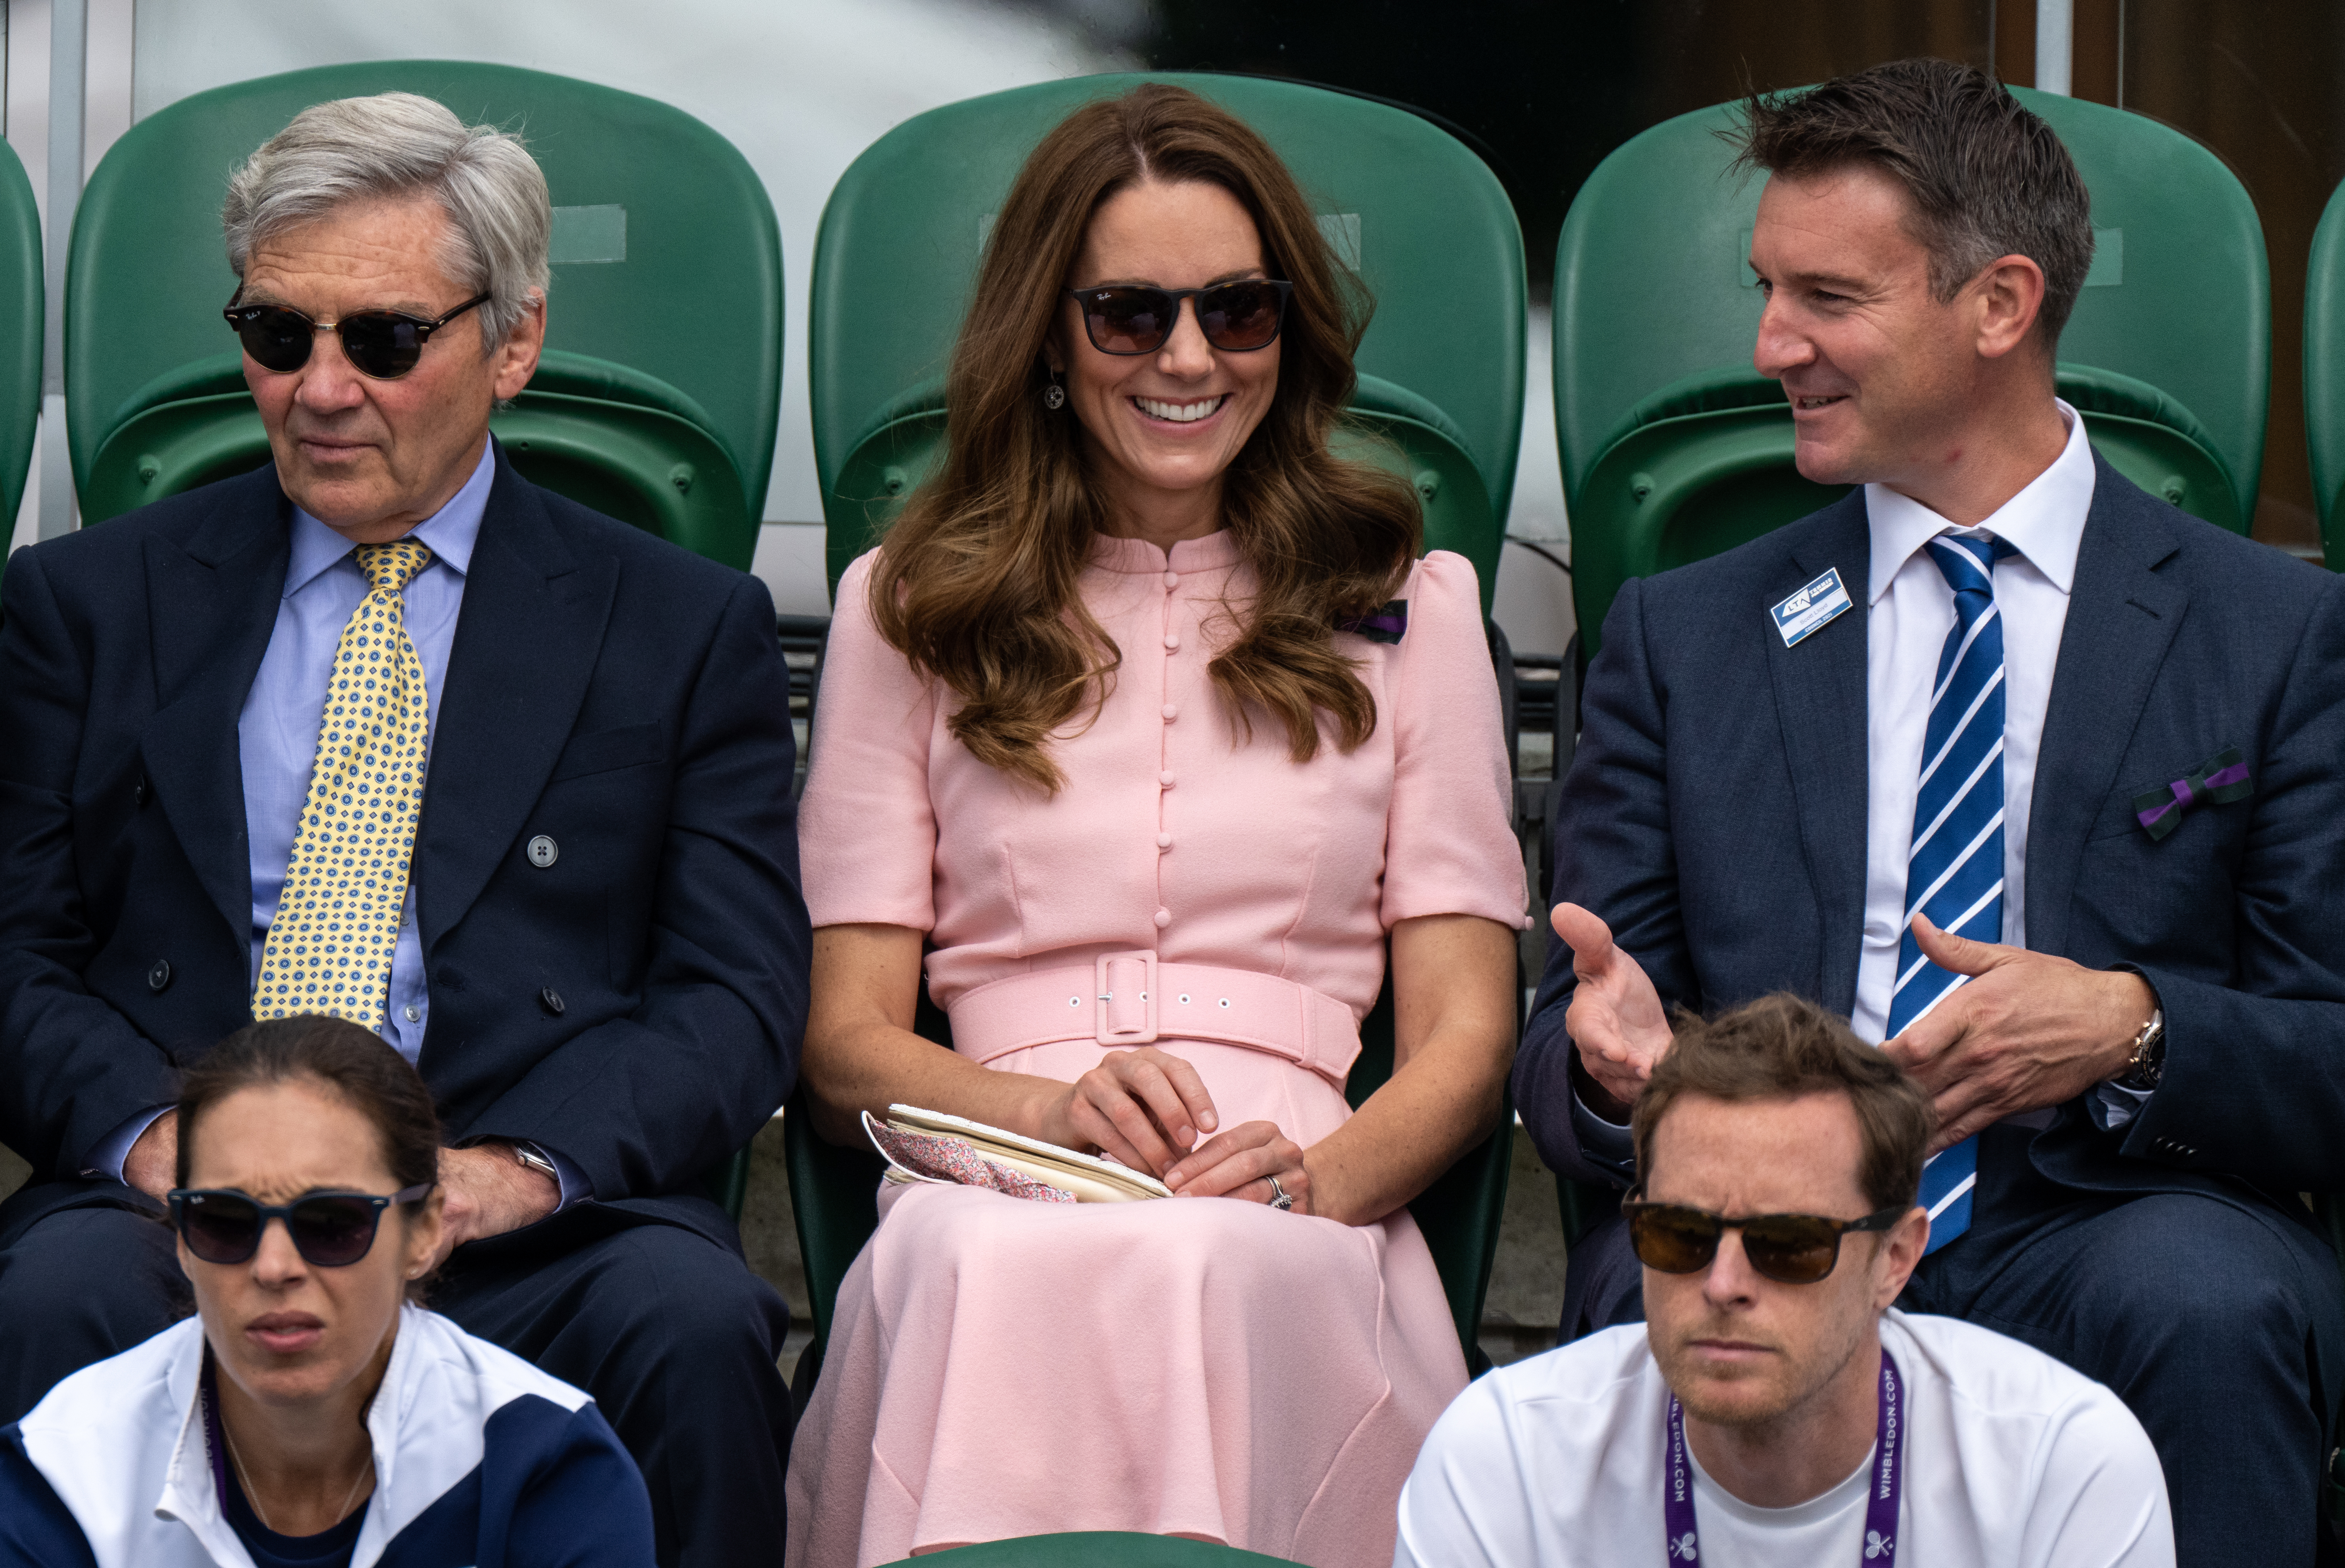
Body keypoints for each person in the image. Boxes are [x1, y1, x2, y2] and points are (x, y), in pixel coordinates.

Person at [1514, 58, 2345, 1564]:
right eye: (1768, 290)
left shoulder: (2274, 637)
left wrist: (2129, 1025)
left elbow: (2332, 1042)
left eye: (1828, 298)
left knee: (2217, 1302)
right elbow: (1565, 1030)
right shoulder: (1680, 634)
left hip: (2107, 1222)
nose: (1771, 346)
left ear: (2001, 304)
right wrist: (1607, 1072)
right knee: (1667, 1285)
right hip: (1760, 1221)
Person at [0, 93, 809, 1566]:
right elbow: (12, 953)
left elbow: (736, 992)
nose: (318, 386)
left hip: (519, 1206)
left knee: (691, 1324)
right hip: (180, 1207)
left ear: (512, 341)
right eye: (274, 333)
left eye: (381, 339)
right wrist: (167, 1148)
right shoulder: (87, 606)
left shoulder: (681, 629)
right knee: (51, 1297)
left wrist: (517, 1173)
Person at [786, 83, 1526, 1567]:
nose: (1189, 358)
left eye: (1238, 311)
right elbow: (847, 1038)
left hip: (1293, 1162)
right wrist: (1044, 1115)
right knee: (964, 1252)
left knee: (1215, 1257)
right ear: (1051, 337)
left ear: (1288, 332)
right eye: (1129, 314)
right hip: (991, 1146)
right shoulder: (905, 604)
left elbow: (1465, 1034)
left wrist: (1327, 1182)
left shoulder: (1414, 603)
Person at [1400, 994, 2174, 1568]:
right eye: (1678, 1233)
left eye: (1787, 1243)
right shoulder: (1505, 1453)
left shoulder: (2060, 1463)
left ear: (1894, 1259)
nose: (1723, 1282)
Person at [0, 1015, 657, 1568]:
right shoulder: (64, 1472)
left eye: (333, 1221)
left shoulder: (549, 1468)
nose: (275, 1265)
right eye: (225, 1221)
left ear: (425, 1230)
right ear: (180, 1239)